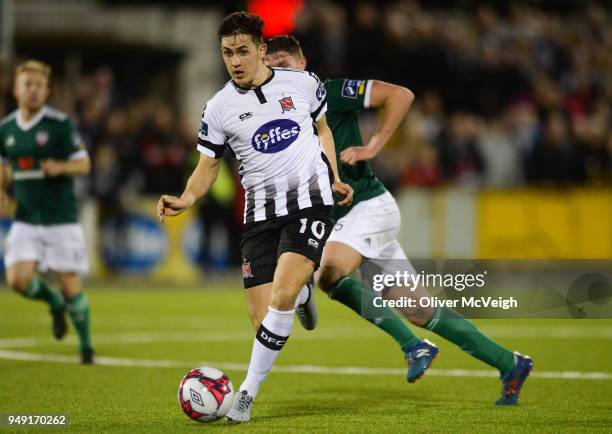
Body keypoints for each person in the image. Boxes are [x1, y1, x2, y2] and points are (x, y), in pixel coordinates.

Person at [265, 35, 532, 406]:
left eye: (286, 65)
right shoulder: (272, 117)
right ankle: (510, 363)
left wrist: (373, 146)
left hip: (368, 207)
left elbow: (401, 95)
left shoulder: (329, 92)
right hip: (340, 220)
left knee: (330, 273)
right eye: (273, 67)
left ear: (303, 64)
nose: (280, 73)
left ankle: (412, 346)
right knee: (418, 308)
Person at [157, 13, 353, 423]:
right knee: (263, 318)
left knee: (280, 295)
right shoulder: (218, 107)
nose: (235, 60)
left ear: (261, 50)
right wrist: (187, 198)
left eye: (242, 51)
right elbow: (208, 165)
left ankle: (245, 396)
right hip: (259, 216)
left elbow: (323, 129)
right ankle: (302, 294)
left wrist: (333, 176)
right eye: (227, 53)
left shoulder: (302, 84)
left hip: (310, 203)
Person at [0, 60, 94, 364]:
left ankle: (86, 348)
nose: (34, 90)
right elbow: (5, 167)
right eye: (28, 84)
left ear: (47, 90)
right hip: (26, 218)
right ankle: (52, 302)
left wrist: (60, 167)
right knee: (17, 280)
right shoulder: (6, 130)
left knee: (70, 286)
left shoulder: (60, 125)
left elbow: (84, 163)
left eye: (39, 85)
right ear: (16, 89)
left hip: (61, 219)